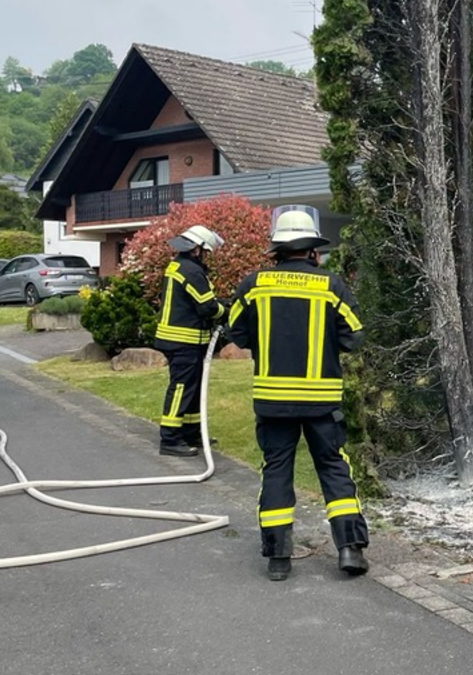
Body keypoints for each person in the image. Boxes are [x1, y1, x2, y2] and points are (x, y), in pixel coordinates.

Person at [227, 205, 370, 581]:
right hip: (322, 400)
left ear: (276, 250)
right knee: (333, 467)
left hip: (273, 400)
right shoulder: (331, 285)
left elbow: (235, 332)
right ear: (312, 250)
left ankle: (278, 558)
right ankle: (350, 549)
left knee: (276, 470)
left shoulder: (254, 284)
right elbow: (355, 335)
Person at [154, 225, 226, 458]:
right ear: (197, 249)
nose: (207, 258)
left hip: (182, 340)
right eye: (206, 253)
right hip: (183, 342)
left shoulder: (178, 266)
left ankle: (192, 432)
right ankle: (171, 438)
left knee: (192, 390)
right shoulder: (192, 271)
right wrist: (227, 310)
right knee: (182, 389)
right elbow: (208, 307)